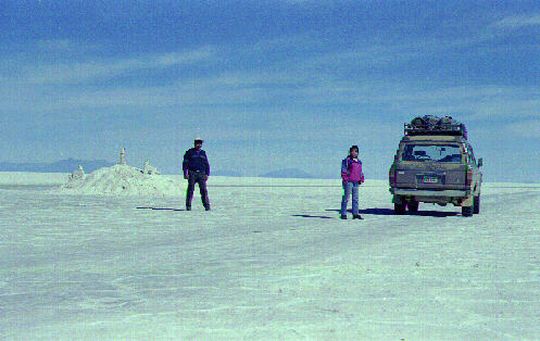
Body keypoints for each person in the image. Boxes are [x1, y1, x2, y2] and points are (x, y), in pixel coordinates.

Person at [183, 137, 211, 211]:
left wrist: (207, 174)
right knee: (190, 190)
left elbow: (206, 164)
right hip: (192, 173)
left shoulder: (203, 153)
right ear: (195, 144)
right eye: (197, 143)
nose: (199, 145)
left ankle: (207, 206)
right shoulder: (189, 152)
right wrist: (185, 173)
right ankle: (188, 206)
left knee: (203, 190)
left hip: (201, 173)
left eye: (200, 143)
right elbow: (185, 163)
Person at [340, 145, 364, 220]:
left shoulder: (359, 162)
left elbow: (360, 172)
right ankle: (343, 213)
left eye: (356, 151)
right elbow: (343, 171)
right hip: (348, 182)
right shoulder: (347, 161)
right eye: (353, 151)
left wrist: (361, 178)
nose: (354, 153)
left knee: (355, 199)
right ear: (350, 152)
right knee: (346, 198)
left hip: (356, 182)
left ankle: (355, 213)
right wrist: (346, 179)